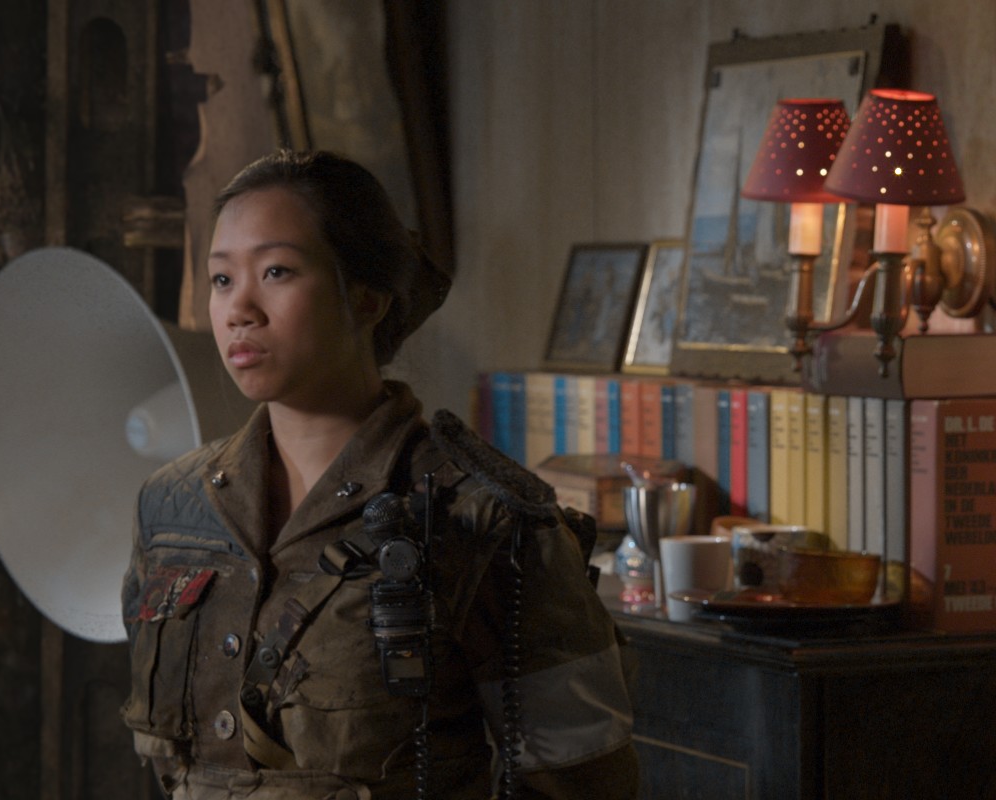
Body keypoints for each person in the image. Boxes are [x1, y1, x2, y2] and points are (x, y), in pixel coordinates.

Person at [119, 150, 639, 799]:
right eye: (222, 279)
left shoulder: (480, 517)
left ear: (366, 298)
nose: (239, 309)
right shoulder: (173, 508)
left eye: (277, 271)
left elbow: (582, 782)